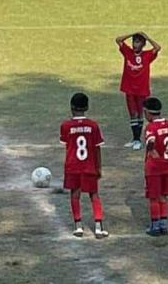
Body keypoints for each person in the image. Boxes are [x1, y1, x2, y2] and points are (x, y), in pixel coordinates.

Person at [60, 93, 108, 239]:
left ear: (71, 107)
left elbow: (67, 146)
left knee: (75, 195)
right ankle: (99, 227)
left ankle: (78, 226)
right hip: (89, 165)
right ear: (87, 107)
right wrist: (99, 167)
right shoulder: (93, 125)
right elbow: (97, 148)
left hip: (73, 166)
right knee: (94, 194)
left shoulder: (66, 126)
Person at [115, 32, 161, 150]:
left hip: (141, 89)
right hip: (129, 88)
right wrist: (130, 34)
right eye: (134, 41)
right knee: (133, 114)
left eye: (138, 42)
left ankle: (138, 139)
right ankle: (134, 139)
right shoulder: (128, 52)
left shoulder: (147, 55)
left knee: (140, 114)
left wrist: (148, 37)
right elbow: (118, 40)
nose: (135, 44)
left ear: (143, 44)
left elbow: (157, 47)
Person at [142, 97, 168, 236]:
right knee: (163, 196)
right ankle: (163, 224)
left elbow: (151, 141)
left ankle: (155, 226)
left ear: (148, 113)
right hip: (167, 165)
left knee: (154, 197)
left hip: (154, 166)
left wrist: (151, 149)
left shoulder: (151, 127)